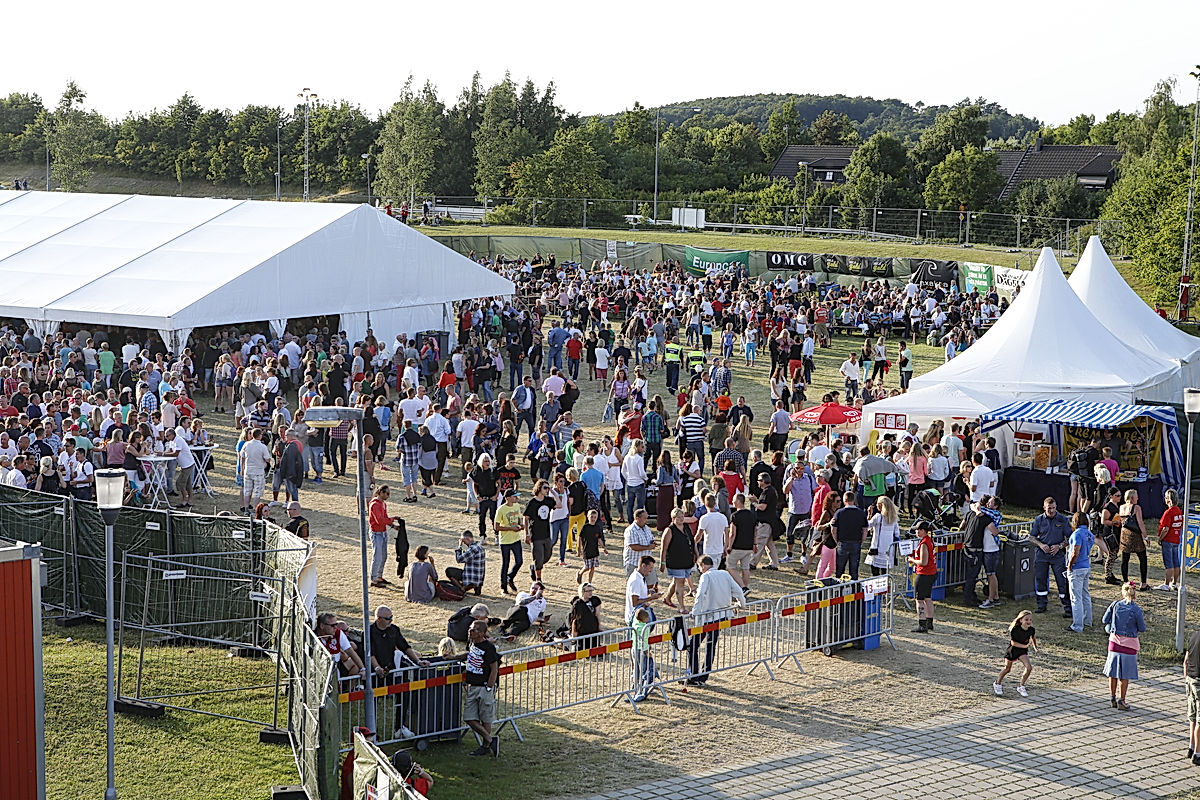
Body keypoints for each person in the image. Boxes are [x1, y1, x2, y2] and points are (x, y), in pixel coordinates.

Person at [686, 555, 745, 686]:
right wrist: (742, 604)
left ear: (702, 565)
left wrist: (695, 612)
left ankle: (694, 676)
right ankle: (702, 677)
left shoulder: (706, 576)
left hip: (707, 618)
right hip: (721, 616)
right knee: (710, 646)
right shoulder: (724, 574)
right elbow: (738, 591)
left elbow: (700, 595)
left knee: (693, 645)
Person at [1102, 582, 1146, 711]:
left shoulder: (1115, 605)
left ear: (1123, 593)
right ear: (1134, 595)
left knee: (1113, 672)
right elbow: (1142, 628)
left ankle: (1112, 698)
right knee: (1124, 674)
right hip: (1129, 645)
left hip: (1114, 643)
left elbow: (1104, 620)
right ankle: (1122, 700)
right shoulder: (1136, 610)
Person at [460, 619, 500, 756]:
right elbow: (469, 655)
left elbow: (494, 668)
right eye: (470, 628)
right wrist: (453, 657)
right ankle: (490, 740)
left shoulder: (488, 647)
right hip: (472, 686)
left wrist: (489, 686)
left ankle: (485, 746)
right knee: (468, 718)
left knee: (485, 718)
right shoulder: (471, 643)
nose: (470, 631)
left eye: (474, 629)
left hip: (484, 687)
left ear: (482, 633)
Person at [1066, 511, 1108, 633]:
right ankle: (1087, 621)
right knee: (1085, 595)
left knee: (1076, 598)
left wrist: (1070, 565)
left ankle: (1077, 625)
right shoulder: (1089, 534)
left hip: (1077, 568)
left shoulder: (1076, 534)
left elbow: (1075, 552)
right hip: (1085, 566)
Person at [1031, 496, 1071, 618]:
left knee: (1062, 581)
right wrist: (1041, 545)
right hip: (1041, 555)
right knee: (1040, 580)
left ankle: (1067, 607)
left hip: (1057, 556)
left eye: (1053, 508)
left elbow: (1070, 538)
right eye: (1049, 508)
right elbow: (1031, 537)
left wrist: (1060, 546)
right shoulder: (1038, 520)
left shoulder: (1063, 520)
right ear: (1044, 508)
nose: (1052, 511)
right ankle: (1041, 605)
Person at [993, 610, 1038, 697]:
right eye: (1026, 619)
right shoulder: (1015, 629)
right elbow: (1013, 643)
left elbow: (1033, 638)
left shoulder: (1031, 630)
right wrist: (1025, 646)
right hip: (1012, 651)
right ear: (1021, 620)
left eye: (1030, 620)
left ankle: (1021, 686)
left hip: (1022, 652)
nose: (1029, 621)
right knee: (1007, 669)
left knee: (1029, 667)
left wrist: (1035, 648)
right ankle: (997, 683)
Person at [659, 508, 696, 612]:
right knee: (680, 583)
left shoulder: (686, 527)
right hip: (675, 561)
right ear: (673, 518)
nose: (681, 519)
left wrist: (696, 554)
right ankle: (682, 607)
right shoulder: (669, 530)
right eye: (679, 517)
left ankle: (667, 598)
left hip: (687, 560)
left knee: (676, 581)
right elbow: (664, 548)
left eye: (682, 516)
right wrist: (662, 562)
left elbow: (692, 542)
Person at [523, 479, 556, 583]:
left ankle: (534, 566)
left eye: (548, 488)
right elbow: (526, 518)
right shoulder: (532, 503)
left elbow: (559, 505)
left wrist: (553, 492)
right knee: (538, 557)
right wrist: (527, 534)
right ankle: (538, 579)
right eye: (545, 488)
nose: (547, 490)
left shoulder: (548, 500)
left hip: (546, 534)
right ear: (539, 488)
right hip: (536, 534)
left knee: (547, 555)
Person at [368, 485, 400, 588]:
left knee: (383, 556)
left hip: (382, 532)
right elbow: (380, 520)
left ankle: (379, 577)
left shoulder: (383, 504)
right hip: (376, 533)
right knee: (377, 556)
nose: (388, 496)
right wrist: (392, 519)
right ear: (381, 492)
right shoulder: (375, 504)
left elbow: (384, 518)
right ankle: (374, 579)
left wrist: (393, 526)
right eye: (387, 494)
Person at [908, 520, 938, 633]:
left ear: (923, 531)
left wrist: (912, 560)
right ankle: (929, 622)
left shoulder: (924, 543)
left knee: (919, 600)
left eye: (918, 530)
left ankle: (922, 624)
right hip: (931, 572)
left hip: (924, 573)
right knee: (927, 598)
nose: (916, 532)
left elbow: (923, 562)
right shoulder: (929, 540)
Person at [832, 490, 868, 581]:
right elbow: (865, 530)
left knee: (840, 570)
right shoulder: (861, 513)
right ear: (854, 500)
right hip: (856, 542)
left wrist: (836, 541)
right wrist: (862, 541)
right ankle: (854, 587)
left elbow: (833, 530)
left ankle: (839, 587)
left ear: (844, 500)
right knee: (854, 570)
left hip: (842, 542)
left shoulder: (839, 513)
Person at [495, 489, 525, 595]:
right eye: (514, 496)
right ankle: (503, 586)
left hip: (516, 539)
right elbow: (496, 527)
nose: (516, 498)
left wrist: (521, 524)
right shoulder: (501, 510)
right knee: (505, 564)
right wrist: (510, 528)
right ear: (508, 498)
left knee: (519, 561)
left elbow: (519, 518)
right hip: (505, 541)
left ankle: (510, 577)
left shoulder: (517, 506)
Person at [1118, 489, 1149, 590]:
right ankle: (1143, 583)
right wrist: (1146, 536)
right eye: (1136, 496)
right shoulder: (1136, 508)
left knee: (1125, 559)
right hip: (1135, 535)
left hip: (1124, 534)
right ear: (1132, 497)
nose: (1138, 498)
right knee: (1142, 558)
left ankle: (1125, 581)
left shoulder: (1121, 507)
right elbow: (1140, 523)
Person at [1157, 489, 1184, 591]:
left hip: (1168, 539)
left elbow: (1165, 528)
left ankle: (1166, 584)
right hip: (1176, 539)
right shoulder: (1179, 511)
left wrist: (1160, 538)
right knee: (1176, 562)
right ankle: (1174, 583)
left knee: (1169, 563)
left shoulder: (1168, 512)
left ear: (1168, 499)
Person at [866, 495, 899, 577]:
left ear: (881, 506)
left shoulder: (878, 517)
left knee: (875, 571)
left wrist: (869, 515)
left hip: (877, 547)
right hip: (888, 548)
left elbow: (867, 526)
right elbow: (896, 533)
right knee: (885, 571)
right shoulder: (894, 518)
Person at [576, 508, 607, 586]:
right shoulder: (585, 527)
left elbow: (599, 539)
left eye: (595, 517)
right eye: (591, 517)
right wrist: (579, 549)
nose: (593, 519)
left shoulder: (597, 527)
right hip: (587, 550)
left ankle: (589, 583)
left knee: (592, 568)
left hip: (595, 550)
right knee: (587, 567)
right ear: (588, 517)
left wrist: (603, 547)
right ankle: (580, 573)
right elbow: (579, 537)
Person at [625, 554, 660, 624]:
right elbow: (635, 602)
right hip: (637, 619)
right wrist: (651, 598)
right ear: (643, 565)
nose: (651, 570)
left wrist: (650, 591)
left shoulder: (640, 576)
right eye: (650, 568)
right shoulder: (636, 580)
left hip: (641, 615)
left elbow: (639, 593)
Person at [453, 530, 486, 596]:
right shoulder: (480, 546)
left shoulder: (472, 549)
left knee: (449, 571)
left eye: (463, 541)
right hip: (479, 577)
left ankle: (462, 589)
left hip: (471, 577)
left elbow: (459, 559)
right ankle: (477, 587)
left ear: (467, 539)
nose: (464, 543)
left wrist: (459, 547)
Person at [1185, 626, 1200, 766]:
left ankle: (1191, 747)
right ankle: (1197, 754)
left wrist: (1186, 679)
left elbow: (1185, 661)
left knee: (1193, 717)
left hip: (1190, 680)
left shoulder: (1194, 636)